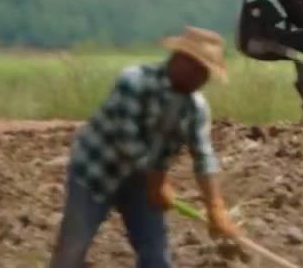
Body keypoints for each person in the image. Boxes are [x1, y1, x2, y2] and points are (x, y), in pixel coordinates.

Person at [48, 26, 241, 268]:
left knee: (156, 258)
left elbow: (203, 156)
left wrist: (215, 207)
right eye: (200, 71)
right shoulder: (135, 81)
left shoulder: (195, 107)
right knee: (71, 252)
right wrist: (157, 182)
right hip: (96, 172)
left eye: (207, 74)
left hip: (142, 184)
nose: (203, 79)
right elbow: (126, 142)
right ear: (181, 61)